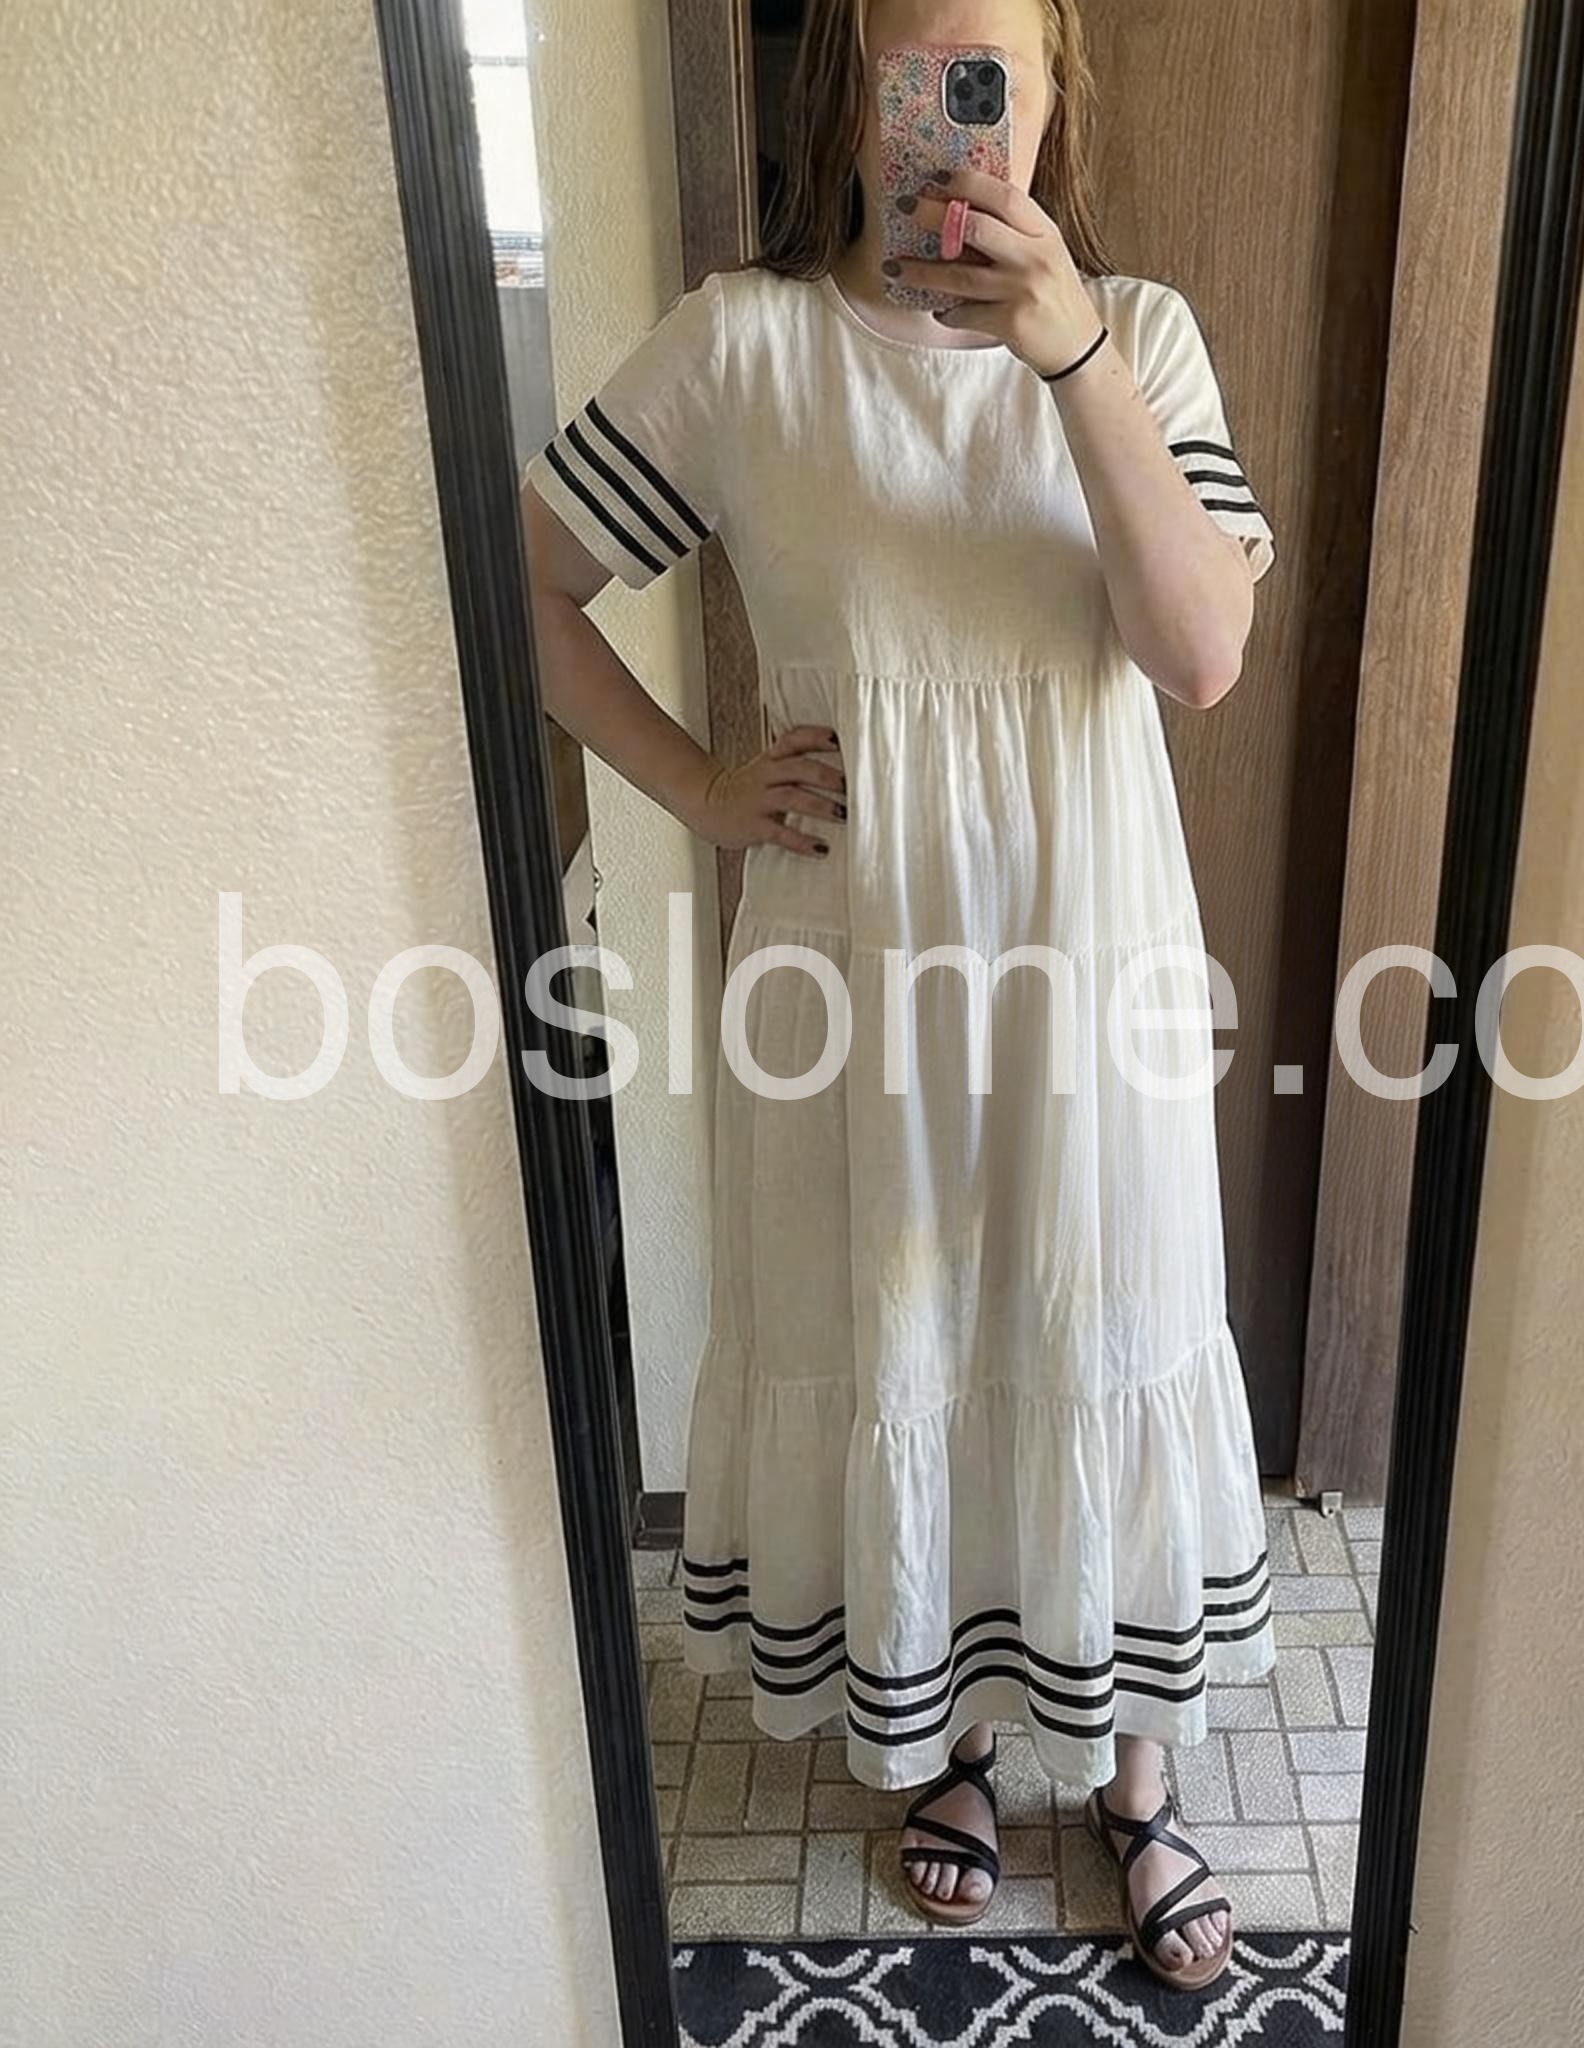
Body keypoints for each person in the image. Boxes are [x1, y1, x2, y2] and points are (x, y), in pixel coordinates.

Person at [520, 0, 1275, 1992]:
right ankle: (947, 1742)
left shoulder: (1145, 336)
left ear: (1052, 99)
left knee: (1102, 1311)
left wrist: (1071, 356)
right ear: (836, 97)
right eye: (908, 76)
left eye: (988, 78)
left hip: (1088, 964)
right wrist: (700, 785)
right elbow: (519, 584)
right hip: (851, 971)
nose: (952, 123)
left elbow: (1200, 653)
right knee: (907, 1328)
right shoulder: (744, 348)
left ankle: (1135, 1773)